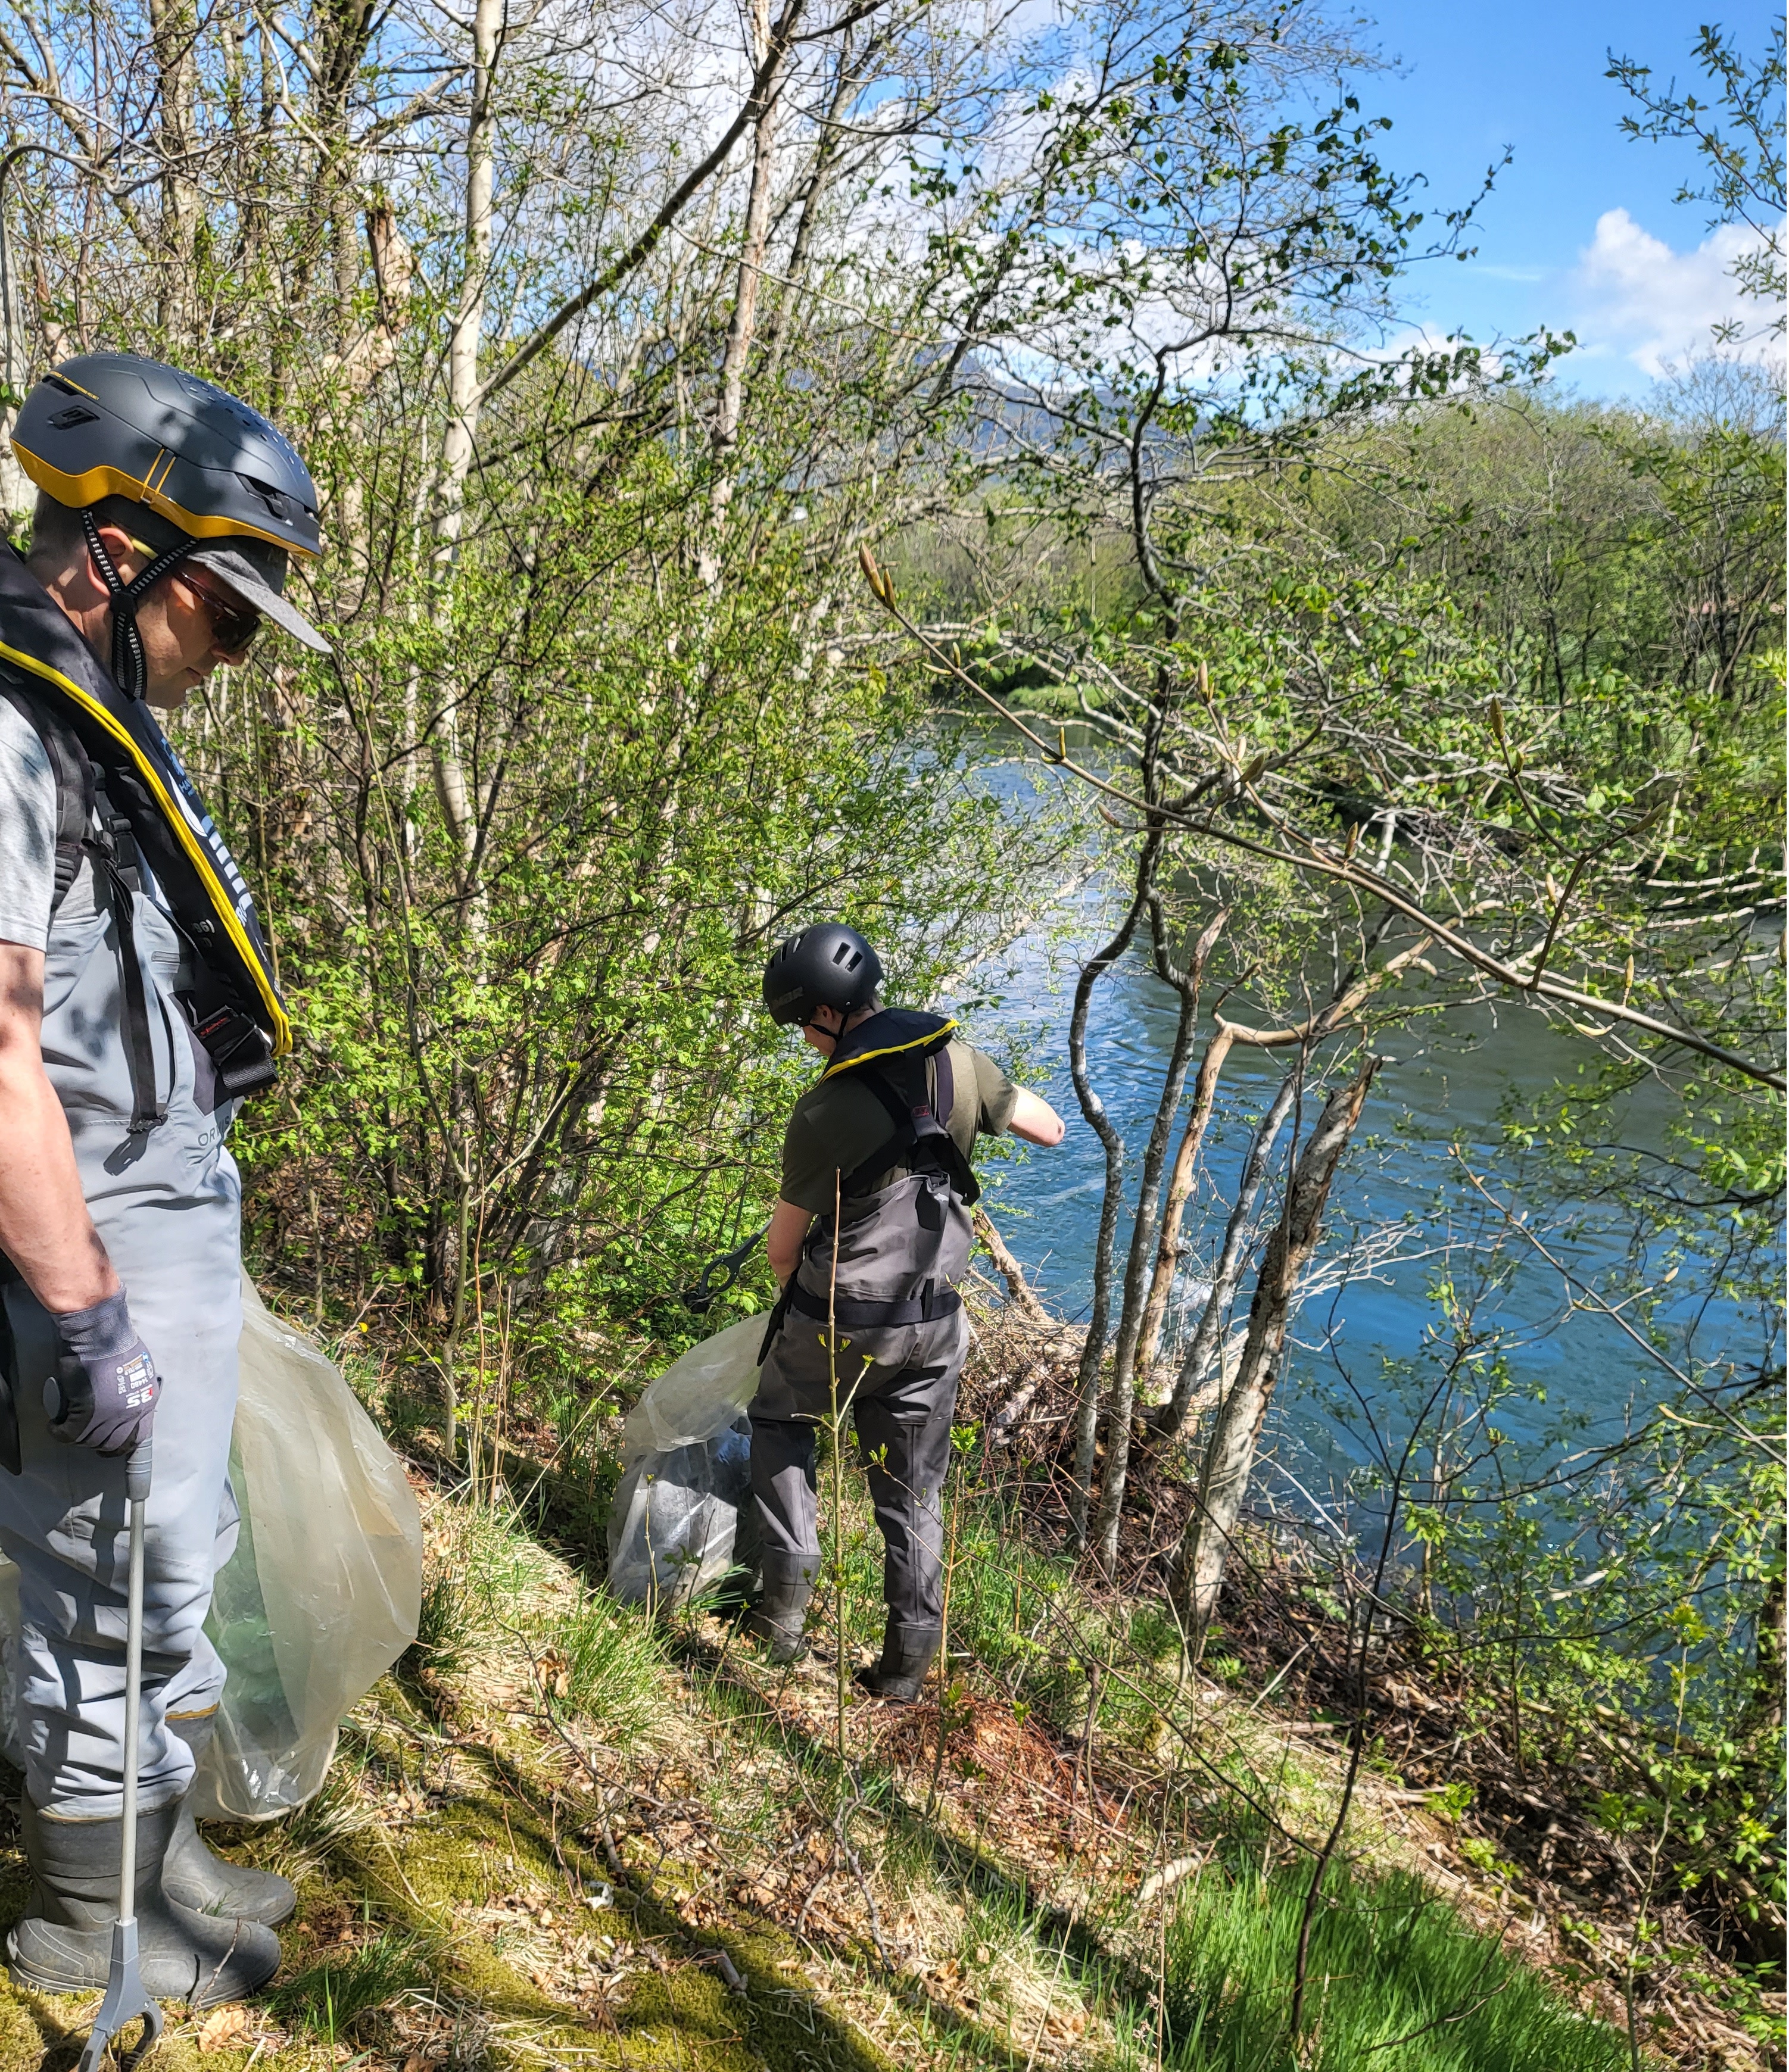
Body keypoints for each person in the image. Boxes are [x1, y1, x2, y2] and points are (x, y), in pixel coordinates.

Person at [0, 354, 330, 2002]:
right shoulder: (6, 716)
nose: (241, 652)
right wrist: (81, 1314)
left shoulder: (97, 703)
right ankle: (87, 1925)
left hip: (161, 1202)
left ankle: (160, 1854)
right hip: (92, 1242)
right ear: (122, 557)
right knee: (101, 1577)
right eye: (232, 612)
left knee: (167, 1564)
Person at [747, 922, 1065, 1701]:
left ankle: (780, 1620)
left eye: (801, 1026)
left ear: (826, 1014)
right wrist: (979, 1096)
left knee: (783, 1423)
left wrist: (791, 1309)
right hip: (933, 1323)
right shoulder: (956, 1060)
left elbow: (782, 1251)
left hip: (838, 1320)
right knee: (912, 1496)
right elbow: (1049, 1128)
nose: (804, 1042)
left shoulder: (822, 1114)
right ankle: (904, 1674)